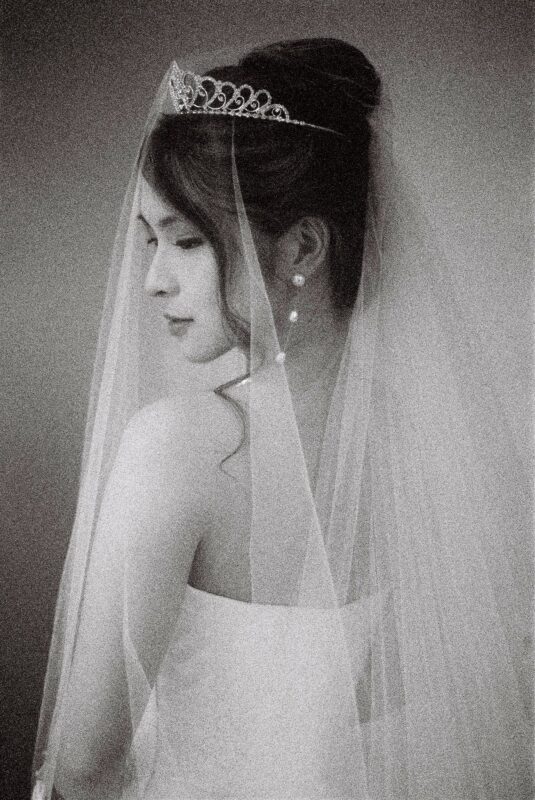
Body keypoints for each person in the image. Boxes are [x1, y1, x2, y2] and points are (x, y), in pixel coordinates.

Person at [32, 38, 532, 800]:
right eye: (147, 244)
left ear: (301, 245)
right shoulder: (413, 440)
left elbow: (81, 764)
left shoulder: (179, 446)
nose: (153, 283)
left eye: (186, 240)